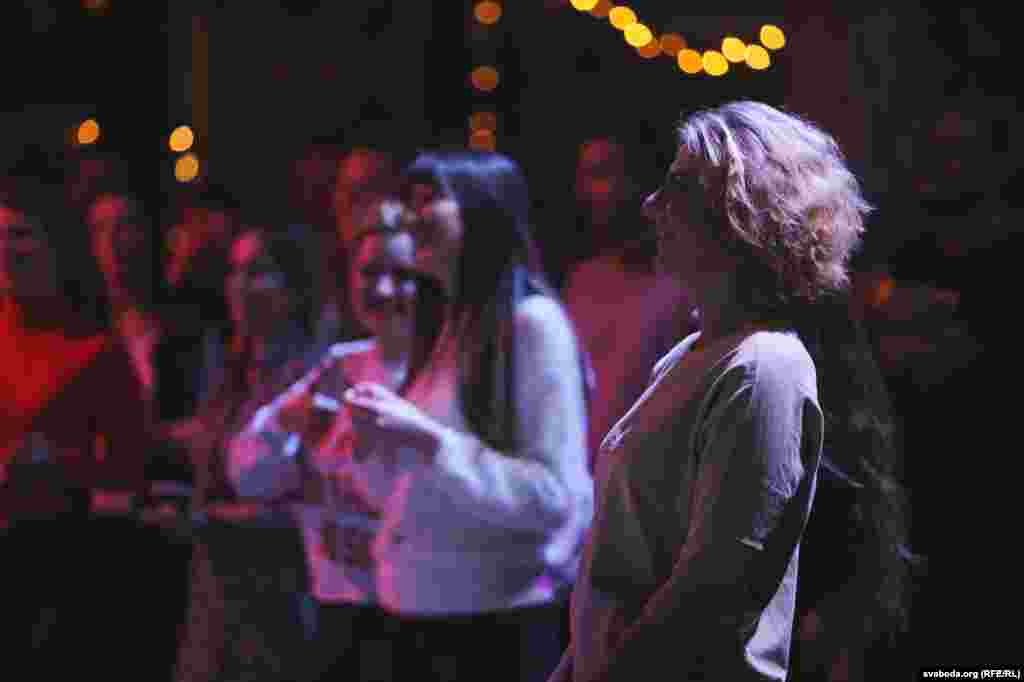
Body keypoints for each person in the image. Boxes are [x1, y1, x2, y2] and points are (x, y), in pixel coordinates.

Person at [550, 101, 878, 682]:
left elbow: (709, 595)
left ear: (744, 210)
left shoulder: (765, 367)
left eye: (678, 186)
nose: (650, 205)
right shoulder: (692, 353)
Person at [340, 150, 593, 682]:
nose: (410, 216)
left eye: (429, 199)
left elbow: (554, 497)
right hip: (416, 619)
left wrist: (427, 440)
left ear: (483, 207)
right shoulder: (442, 329)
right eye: (409, 202)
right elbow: (404, 495)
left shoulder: (532, 324)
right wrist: (367, 447)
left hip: (493, 629)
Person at [226, 199, 417, 681]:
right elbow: (247, 473)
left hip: (414, 613)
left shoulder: (441, 372)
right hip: (335, 610)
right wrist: (286, 425)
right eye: (369, 272)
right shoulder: (340, 365)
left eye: (401, 274)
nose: (382, 289)